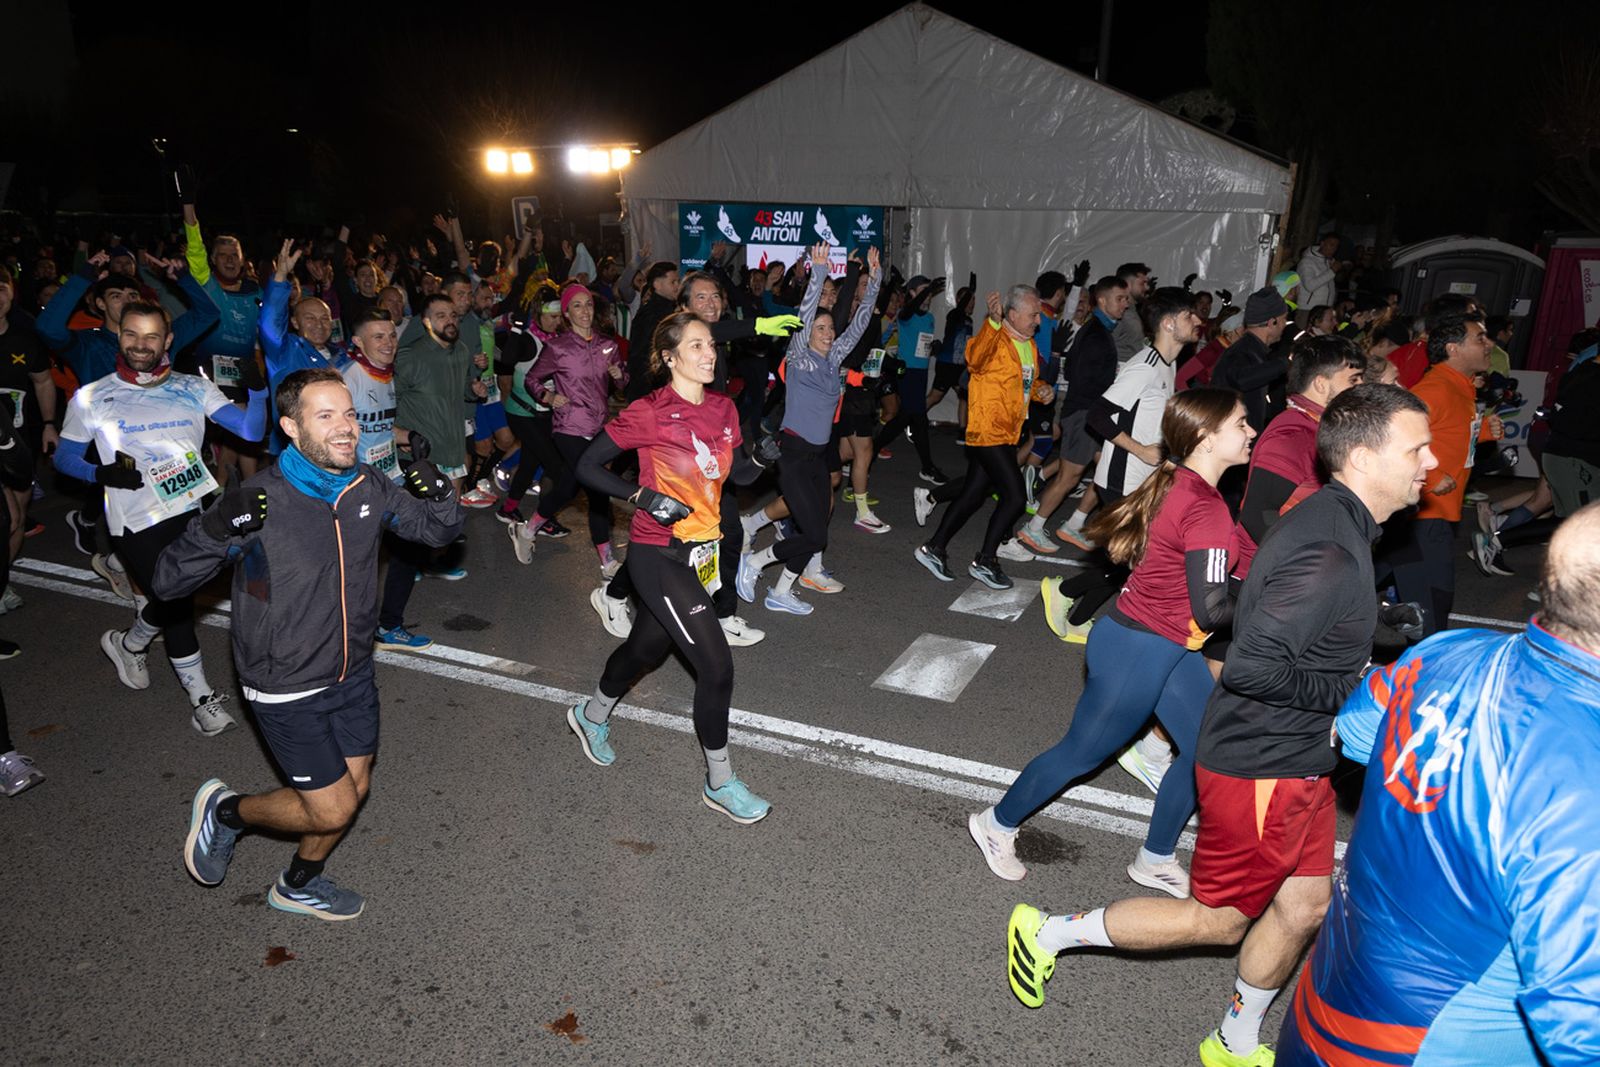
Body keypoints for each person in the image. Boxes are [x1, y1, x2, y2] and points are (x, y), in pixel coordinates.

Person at [1003, 384, 1437, 1067]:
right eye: (1417, 449)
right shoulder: (1329, 546)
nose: (1431, 462)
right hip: (1262, 764)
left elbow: (1276, 604)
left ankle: (1234, 1039)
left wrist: (1372, 624)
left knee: (1305, 905)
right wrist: (1359, 693)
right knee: (1219, 918)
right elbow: (1254, 667)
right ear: (1361, 456)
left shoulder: (1336, 521)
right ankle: (1048, 932)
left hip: (1302, 762)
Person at [1279, 502, 1600, 1066]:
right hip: (1423, 1052)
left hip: (1322, 1010)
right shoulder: (1581, 785)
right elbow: (1580, 1028)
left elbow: (1354, 733)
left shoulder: (1446, 651)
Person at [167, 368, 463, 921]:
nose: (346, 427)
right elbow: (167, 582)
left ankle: (297, 883)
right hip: (285, 681)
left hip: (354, 670)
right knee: (332, 809)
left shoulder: (366, 484)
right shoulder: (259, 500)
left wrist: (440, 490)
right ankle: (227, 812)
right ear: (290, 427)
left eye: (349, 414)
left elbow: (435, 532)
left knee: (354, 789)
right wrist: (215, 529)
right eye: (325, 416)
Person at [969, 389, 1254, 898]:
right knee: (1080, 754)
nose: (1251, 432)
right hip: (1138, 651)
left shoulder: (1179, 480)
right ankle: (996, 823)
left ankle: (1155, 858)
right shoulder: (1205, 505)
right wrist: (1282, 608)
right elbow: (1213, 609)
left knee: (1205, 747)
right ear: (1207, 439)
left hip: (1163, 646)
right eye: (1241, 424)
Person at [566, 311, 775, 823]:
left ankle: (590, 714)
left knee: (645, 649)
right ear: (669, 357)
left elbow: (737, 475)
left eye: (711, 346)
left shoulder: (724, 407)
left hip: (700, 554)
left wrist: (764, 458)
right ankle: (720, 782)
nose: (709, 354)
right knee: (717, 666)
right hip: (657, 553)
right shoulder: (650, 411)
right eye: (697, 346)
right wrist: (641, 496)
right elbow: (586, 465)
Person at [54, 301, 267, 734]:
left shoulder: (194, 387)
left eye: (151, 336)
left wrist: (259, 393)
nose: (140, 344)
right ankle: (201, 698)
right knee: (177, 601)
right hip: (133, 519)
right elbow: (64, 457)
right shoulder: (92, 396)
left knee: (174, 593)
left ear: (167, 340)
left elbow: (251, 430)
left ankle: (130, 643)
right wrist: (100, 473)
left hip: (187, 509)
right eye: (132, 334)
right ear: (119, 336)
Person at [738, 246, 881, 615]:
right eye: (821, 328)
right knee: (814, 534)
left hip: (817, 457)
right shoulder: (799, 357)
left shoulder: (834, 359)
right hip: (793, 455)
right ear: (808, 333)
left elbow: (861, 320)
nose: (828, 333)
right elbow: (805, 313)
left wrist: (876, 277)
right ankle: (754, 562)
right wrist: (818, 271)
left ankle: (781, 592)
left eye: (831, 328)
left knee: (816, 532)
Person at [913, 285, 1042, 590]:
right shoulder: (994, 338)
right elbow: (974, 360)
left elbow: (1024, 383)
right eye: (1033, 314)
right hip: (989, 429)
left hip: (1009, 432)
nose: (1038, 320)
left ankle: (934, 548)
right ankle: (986, 560)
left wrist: (1041, 390)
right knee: (1015, 497)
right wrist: (993, 323)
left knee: (973, 493)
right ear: (1013, 314)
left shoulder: (1029, 345)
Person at [1390, 308, 1501, 636]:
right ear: (1454, 348)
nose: (1489, 344)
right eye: (1480, 338)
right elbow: (1392, 435)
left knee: (1421, 598)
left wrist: (1483, 432)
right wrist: (1433, 478)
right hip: (1422, 515)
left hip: (1436, 514)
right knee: (1432, 607)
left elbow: (1445, 433)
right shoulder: (1435, 389)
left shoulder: (1460, 386)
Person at [511, 284, 627, 573]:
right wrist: (548, 397)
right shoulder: (557, 347)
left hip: (598, 426)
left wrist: (619, 375)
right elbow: (532, 379)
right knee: (597, 488)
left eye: (588, 304)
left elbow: (623, 382)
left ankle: (528, 529)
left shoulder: (607, 345)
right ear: (566, 313)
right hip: (568, 426)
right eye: (577, 305)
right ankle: (608, 562)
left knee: (567, 488)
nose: (584, 311)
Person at [1231, 335, 1365, 579]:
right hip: (1269, 580)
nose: (1361, 387)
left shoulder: (1316, 427)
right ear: (1321, 384)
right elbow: (1258, 514)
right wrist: (1304, 564)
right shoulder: (1295, 435)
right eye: (1353, 380)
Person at [1014, 274, 1127, 554]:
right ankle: (1033, 528)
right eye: (1120, 299)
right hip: (1084, 414)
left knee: (1106, 471)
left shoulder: (1099, 331)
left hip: (1092, 413)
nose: (1125, 304)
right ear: (1102, 300)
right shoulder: (1095, 334)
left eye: (1126, 299)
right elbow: (1080, 376)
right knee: (1069, 477)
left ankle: (1075, 523)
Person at [1211, 287, 1290, 434]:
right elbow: (1241, 379)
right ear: (1272, 322)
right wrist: (1285, 363)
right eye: (1284, 319)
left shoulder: (1255, 350)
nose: (1285, 324)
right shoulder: (1241, 352)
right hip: (1230, 439)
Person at [1112, 262, 1153, 362]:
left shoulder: (1132, 310)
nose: (1147, 288)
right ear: (1127, 284)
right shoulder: (1118, 312)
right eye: (1142, 283)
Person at [1295, 234, 1342, 309]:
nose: (1334, 249)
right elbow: (1310, 286)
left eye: (1336, 246)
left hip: (1325, 309)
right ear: (1322, 244)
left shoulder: (1328, 262)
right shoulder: (1307, 261)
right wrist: (1332, 271)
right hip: (1308, 309)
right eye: (1331, 245)